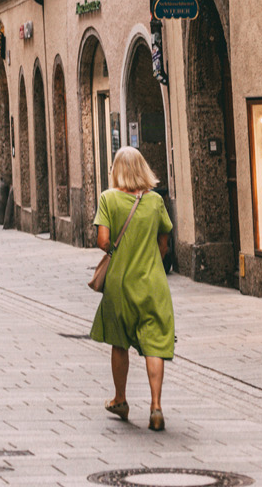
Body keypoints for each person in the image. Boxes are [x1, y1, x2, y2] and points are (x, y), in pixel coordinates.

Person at [91, 147, 174, 431]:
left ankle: (121, 399)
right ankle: (156, 406)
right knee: (155, 344)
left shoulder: (108, 198)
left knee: (119, 340)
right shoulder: (155, 202)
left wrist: (117, 249)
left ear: (116, 169)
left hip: (119, 283)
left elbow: (103, 240)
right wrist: (151, 263)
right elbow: (164, 243)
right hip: (152, 283)